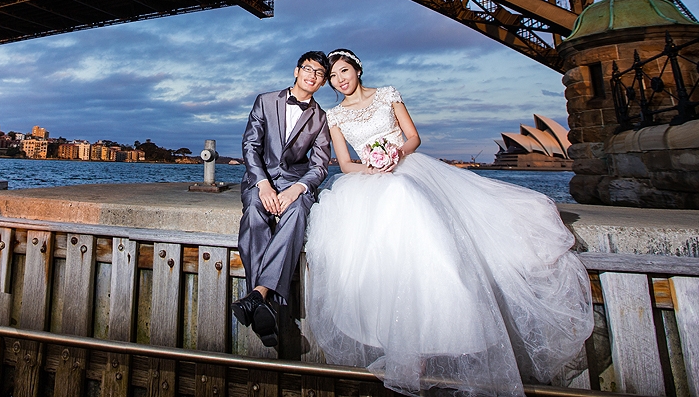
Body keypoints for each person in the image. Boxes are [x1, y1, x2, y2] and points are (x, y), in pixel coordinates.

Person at [305, 49, 593, 397]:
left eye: (344, 71)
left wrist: (395, 154)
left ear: (357, 70)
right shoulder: (335, 115)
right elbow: (345, 164)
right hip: (368, 180)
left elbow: (413, 137)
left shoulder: (388, 95)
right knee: (390, 244)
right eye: (334, 76)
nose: (340, 80)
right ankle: (403, 342)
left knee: (408, 199)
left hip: (407, 167)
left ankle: (448, 332)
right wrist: (371, 168)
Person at [234, 51, 332, 347]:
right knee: (254, 211)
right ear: (296, 71)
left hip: (294, 183)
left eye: (319, 74)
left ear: (322, 82)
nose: (312, 76)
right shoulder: (265, 100)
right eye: (308, 69)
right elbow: (250, 145)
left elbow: (320, 165)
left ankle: (256, 297)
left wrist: (297, 188)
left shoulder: (321, 118)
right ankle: (262, 302)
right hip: (260, 178)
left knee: (298, 213)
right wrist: (263, 184)